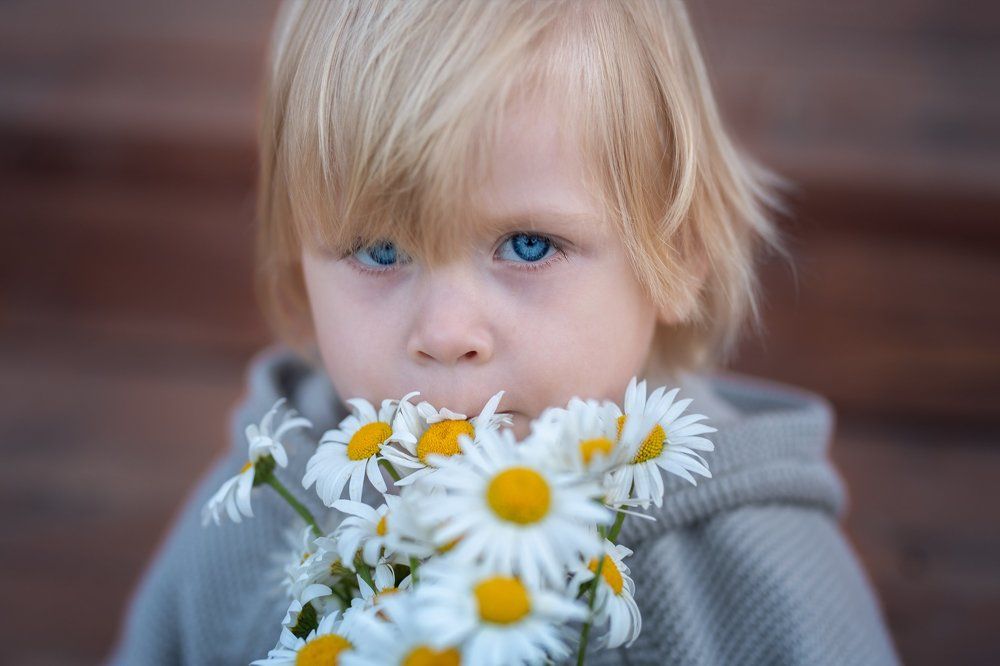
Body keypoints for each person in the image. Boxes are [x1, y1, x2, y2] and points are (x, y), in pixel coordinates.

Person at [108, 1, 900, 663]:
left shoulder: (762, 582)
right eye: (379, 251)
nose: (447, 334)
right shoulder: (255, 533)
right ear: (295, 269)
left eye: (529, 245)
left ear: (678, 252)